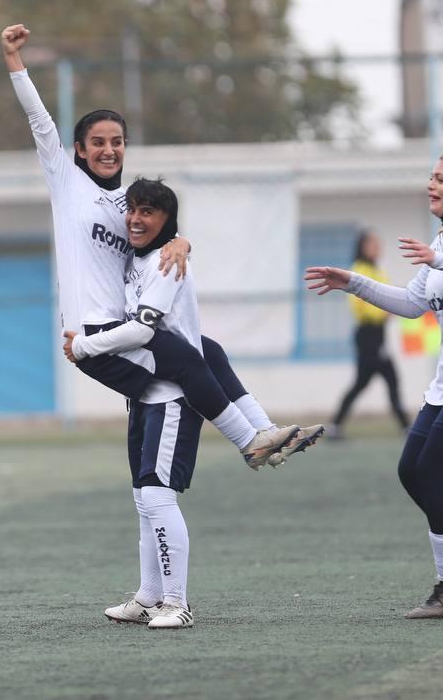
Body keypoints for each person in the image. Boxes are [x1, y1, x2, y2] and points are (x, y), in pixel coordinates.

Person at [1, 22, 321, 469]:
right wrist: (14, 61)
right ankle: (249, 443)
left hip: (123, 328)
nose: (108, 150)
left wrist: (183, 242)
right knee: (187, 361)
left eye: (116, 142)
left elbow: (156, 236)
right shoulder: (67, 182)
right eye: (97, 143)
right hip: (91, 334)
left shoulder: (127, 203)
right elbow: (40, 121)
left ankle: (265, 431)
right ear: (79, 150)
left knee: (208, 350)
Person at [67, 179, 319, 630]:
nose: (136, 219)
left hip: (174, 397)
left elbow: (143, 331)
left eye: (148, 212)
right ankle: (148, 597)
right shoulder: (138, 255)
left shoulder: (166, 264)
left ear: (167, 220)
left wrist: (85, 346)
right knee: (144, 498)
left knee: (158, 496)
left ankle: (176, 603)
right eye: (133, 209)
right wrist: (183, 240)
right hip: (146, 393)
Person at [305, 148, 443, 619]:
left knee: (432, 471)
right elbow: (413, 304)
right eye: (430, 177)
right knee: (412, 470)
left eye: (442, 179)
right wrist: (352, 281)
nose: (431, 185)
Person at [327, 231, 411, 439]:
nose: (377, 247)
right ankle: (335, 426)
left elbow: (388, 295)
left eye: (378, 243)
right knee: (365, 383)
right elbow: (360, 307)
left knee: (385, 381)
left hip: (379, 335)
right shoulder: (358, 270)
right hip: (367, 336)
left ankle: (406, 427)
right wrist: (384, 312)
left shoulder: (377, 270)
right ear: (362, 247)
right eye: (373, 244)